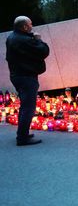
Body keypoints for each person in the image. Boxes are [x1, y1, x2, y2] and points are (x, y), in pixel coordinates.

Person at [5, 16, 50, 146]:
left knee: (25, 107)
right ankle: (22, 138)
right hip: (26, 77)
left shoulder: (11, 37)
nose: (32, 26)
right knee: (28, 108)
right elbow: (44, 51)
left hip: (18, 76)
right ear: (24, 27)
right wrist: (39, 40)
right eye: (30, 24)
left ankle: (22, 133)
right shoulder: (25, 40)